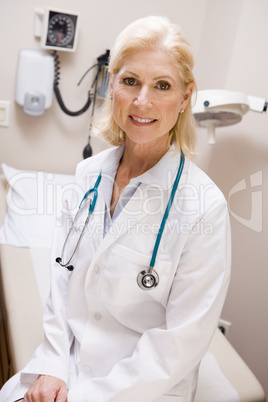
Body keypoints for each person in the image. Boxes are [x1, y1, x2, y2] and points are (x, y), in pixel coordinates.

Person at [0, 15, 231, 402]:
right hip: (68, 364)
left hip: (144, 389)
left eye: (162, 85)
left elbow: (178, 346)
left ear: (186, 96)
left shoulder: (206, 207)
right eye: (130, 81)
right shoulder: (88, 174)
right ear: (112, 84)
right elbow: (61, 274)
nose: (143, 101)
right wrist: (54, 366)